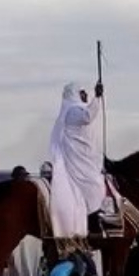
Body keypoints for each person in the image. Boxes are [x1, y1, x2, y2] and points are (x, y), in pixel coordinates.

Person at [47, 81, 110, 251]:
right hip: (77, 162)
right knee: (93, 187)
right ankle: (90, 224)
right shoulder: (72, 111)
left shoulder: (76, 110)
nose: (85, 95)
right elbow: (88, 116)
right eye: (82, 93)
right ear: (74, 94)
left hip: (85, 158)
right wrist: (97, 97)